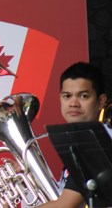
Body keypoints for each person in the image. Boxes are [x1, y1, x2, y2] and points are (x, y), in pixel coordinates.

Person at [39, 62, 109, 208]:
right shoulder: (77, 141)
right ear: (60, 98)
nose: (73, 103)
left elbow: (65, 205)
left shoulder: (99, 143)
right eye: (67, 96)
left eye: (83, 96)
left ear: (101, 101)